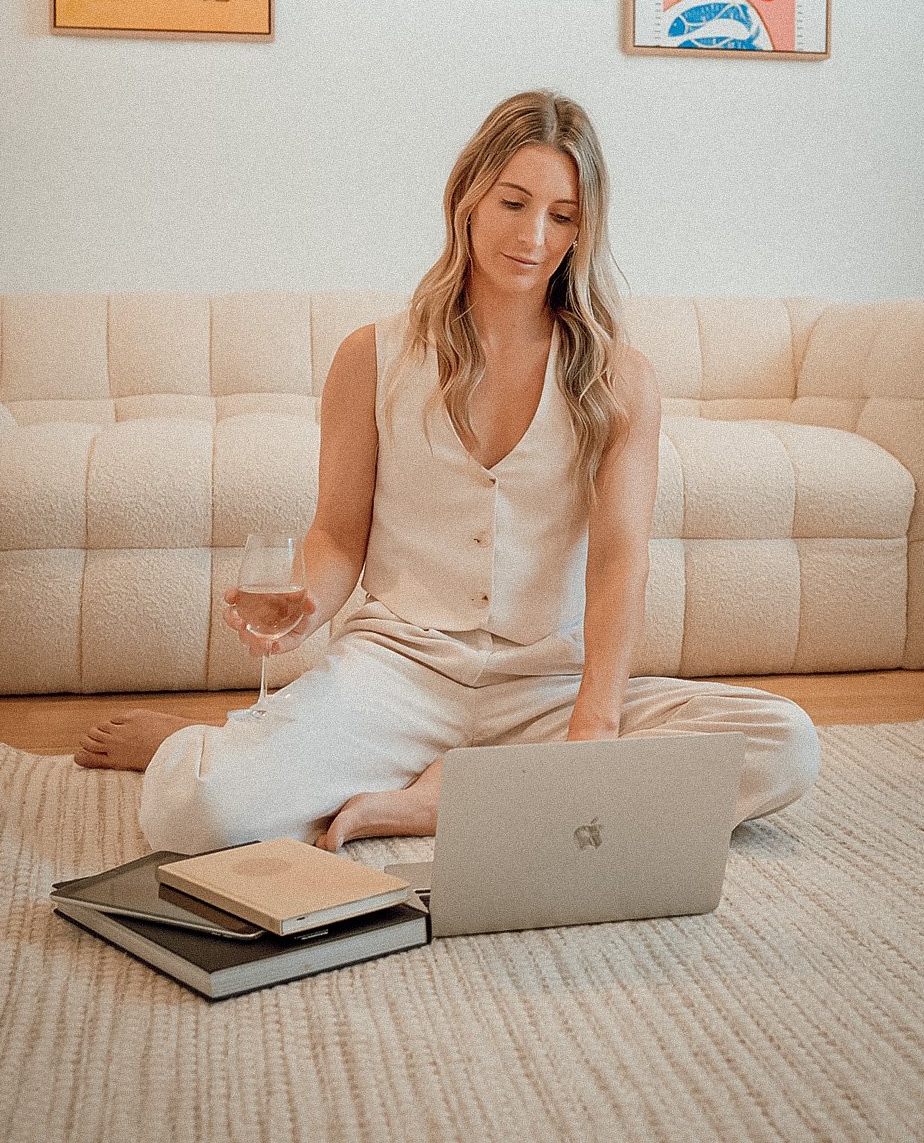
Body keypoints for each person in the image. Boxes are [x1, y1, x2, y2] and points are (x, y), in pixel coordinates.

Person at [75, 90, 820, 854]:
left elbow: (620, 560)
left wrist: (594, 724)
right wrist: (306, 603)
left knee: (784, 744)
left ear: (582, 231)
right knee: (198, 812)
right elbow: (336, 536)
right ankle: (208, 745)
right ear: (468, 196)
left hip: (547, 688)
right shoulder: (369, 358)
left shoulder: (619, 379)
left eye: (562, 216)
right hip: (397, 676)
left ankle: (430, 800)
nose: (533, 236)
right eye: (514, 202)